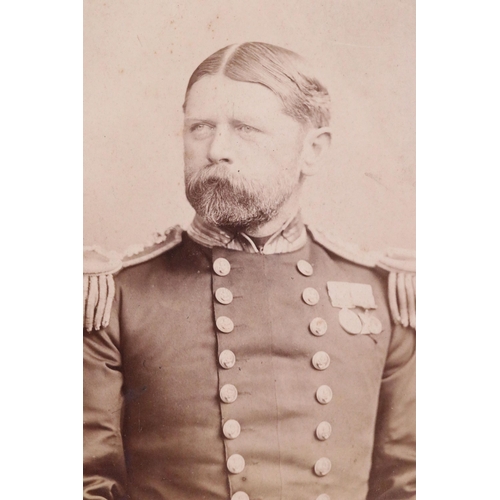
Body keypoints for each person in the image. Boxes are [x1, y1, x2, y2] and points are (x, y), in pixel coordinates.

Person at [83, 42, 416, 500]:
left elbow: (411, 483)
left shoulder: (384, 295)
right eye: (200, 127)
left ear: (313, 150)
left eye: (246, 129)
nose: (217, 149)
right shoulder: (115, 296)